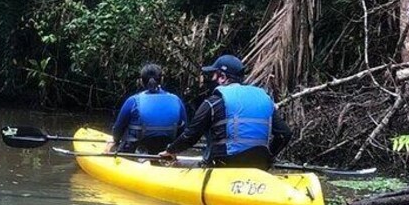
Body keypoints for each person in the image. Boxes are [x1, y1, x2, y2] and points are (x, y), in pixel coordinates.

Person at [158, 55, 291, 168]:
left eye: (214, 75)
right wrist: (269, 157)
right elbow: (285, 134)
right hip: (259, 164)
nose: (212, 79)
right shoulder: (265, 99)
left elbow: (190, 136)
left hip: (226, 164)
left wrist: (170, 150)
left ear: (222, 77)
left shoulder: (214, 101)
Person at [109, 63, 188, 154]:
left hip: (137, 151)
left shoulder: (133, 101)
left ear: (141, 81)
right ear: (161, 80)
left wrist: (115, 140)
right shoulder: (177, 100)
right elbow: (184, 131)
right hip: (167, 150)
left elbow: (118, 130)